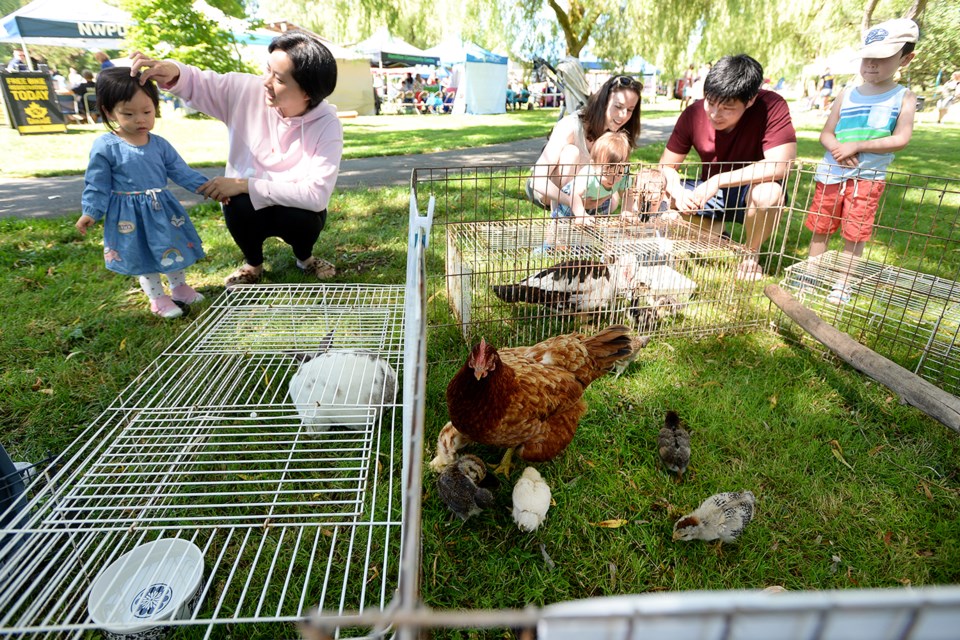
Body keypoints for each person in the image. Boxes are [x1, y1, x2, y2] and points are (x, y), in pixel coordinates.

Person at [130, 30, 343, 288]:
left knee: (305, 217)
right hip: (249, 206)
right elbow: (200, 83)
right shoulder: (246, 90)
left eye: (278, 78)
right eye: (267, 71)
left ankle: (305, 258)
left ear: (307, 92)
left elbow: (316, 195)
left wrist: (244, 184)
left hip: (294, 210)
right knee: (236, 203)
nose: (265, 82)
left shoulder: (327, 124)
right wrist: (173, 72)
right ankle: (253, 264)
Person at [75, 68, 210, 319]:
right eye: (129, 113)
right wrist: (91, 212)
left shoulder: (159, 144)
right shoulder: (106, 146)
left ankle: (179, 287)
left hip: (163, 210)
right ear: (108, 111)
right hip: (129, 216)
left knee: (173, 246)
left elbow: (181, 171)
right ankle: (157, 298)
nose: (141, 120)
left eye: (147, 112)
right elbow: (97, 183)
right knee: (142, 254)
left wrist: (208, 188)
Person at [804, 18, 918, 305]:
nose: (871, 65)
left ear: (905, 59)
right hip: (830, 174)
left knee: (855, 232)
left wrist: (858, 145)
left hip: (866, 179)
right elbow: (827, 134)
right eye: (867, 58)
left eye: (881, 59)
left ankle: (843, 284)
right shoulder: (847, 94)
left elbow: (901, 138)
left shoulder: (903, 97)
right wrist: (838, 147)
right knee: (820, 226)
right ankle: (811, 274)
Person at [658, 54, 797, 281]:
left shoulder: (772, 105)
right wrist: (677, 191)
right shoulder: (693, 113)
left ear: (750, 100)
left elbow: (782, 164)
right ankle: (716, 232)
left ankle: (751, 254)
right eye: (710, 102)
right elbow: (665, 166)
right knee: (655, 192)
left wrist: (717, 180)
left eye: (727, 107)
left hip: (749, 190)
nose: (714, 113)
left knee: (769, 194)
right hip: (708, 195)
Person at [527, 74, 642, 211]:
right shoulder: (571, 126)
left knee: (613, 201)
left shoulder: (618, 136)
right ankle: (561, 219)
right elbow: (537, 180)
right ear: (603, 102)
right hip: (549, 193)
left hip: (584, 192)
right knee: (571, 153)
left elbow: (623, 181)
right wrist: (573, 202)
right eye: (618, 106)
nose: (623, 115)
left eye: (629, 110)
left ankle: (583, 214)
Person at [550, 130, 634, 221]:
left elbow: (627, 194)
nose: (613, 179)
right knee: (563, 225)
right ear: (593, 165)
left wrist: (628, 210)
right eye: (607, 173)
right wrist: (581, 214)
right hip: (572, 201)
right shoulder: (588, 173)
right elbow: (574, 195)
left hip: (596, 198)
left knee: (596, 221)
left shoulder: (624, 173)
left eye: (619, 173)